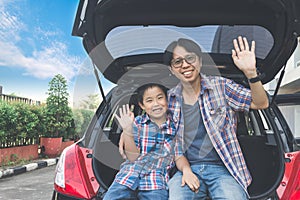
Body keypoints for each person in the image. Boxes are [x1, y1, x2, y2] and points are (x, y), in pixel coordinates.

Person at [162, 36, 269, 200]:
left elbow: (261, 103)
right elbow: (165, 138)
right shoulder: (169, 100)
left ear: (199, 61)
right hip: (186, 170)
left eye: (190, 58)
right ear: (171, 69)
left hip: (224, 169)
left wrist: (251, 73)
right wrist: (127, 130)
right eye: (177, 62)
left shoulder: (221, 86)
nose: (185, 65)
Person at [104, 83, 199, 200]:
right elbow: (132, 157)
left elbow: (178, 156)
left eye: (160, 98)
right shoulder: (137, 123)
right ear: (142, 105)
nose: (156, 104)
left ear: (167, 100)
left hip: (156, 180)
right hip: (129, 175)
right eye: (149, 100)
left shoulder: (175, 127)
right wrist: (128, 130)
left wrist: (187, 170)